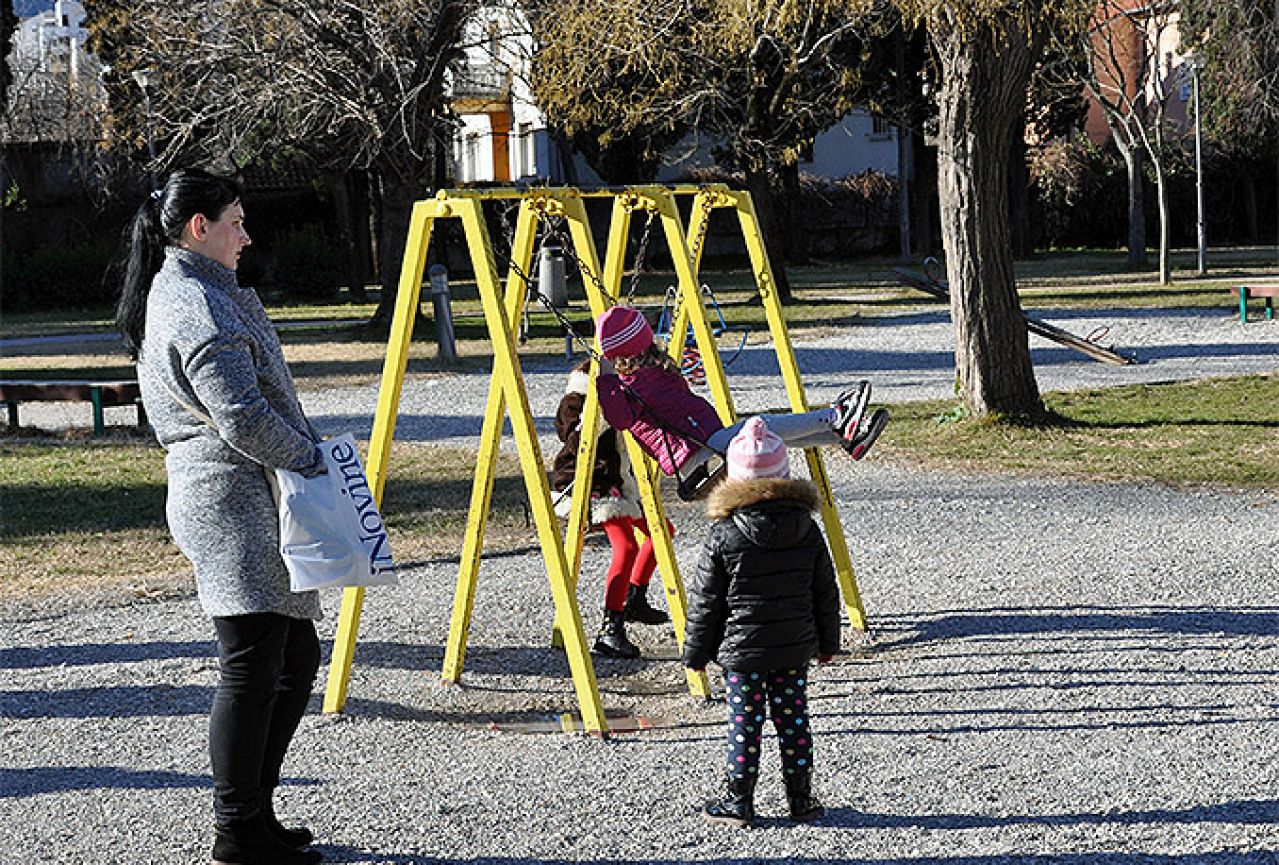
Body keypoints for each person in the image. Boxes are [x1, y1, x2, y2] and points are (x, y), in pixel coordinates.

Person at [117, 168, 325, 865]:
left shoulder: (197, 289)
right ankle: (237, 828)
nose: (247, 233)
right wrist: (311, 457)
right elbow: (240, 416)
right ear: (197, 228)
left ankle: (254, 814)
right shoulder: (195, 303)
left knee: (291, 655)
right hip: (230, 500)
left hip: (246, 496)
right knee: (253, 661)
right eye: (235, 220)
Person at [682, 416, 841, 827]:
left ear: (734, 481)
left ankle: (740, 800)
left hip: (742, 652)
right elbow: (825, 591)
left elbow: (706, 601)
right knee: (794, 718)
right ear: (784, 477)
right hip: (794, 646)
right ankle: (801, 798)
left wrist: (696, 653)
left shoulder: (724, 533)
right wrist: (828, 643)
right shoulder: (806, 528)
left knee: (744, 723)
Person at [592, 306, 888, 485]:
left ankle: (843, 436)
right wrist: (606, 376)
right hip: (694, 459)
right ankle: (836, 416)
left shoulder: (650, 373)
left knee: (770, 438)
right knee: (758, 425)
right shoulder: (627, 387)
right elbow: (619, 420)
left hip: (706, 445)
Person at [550, 360, 671, 659]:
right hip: (588, 483)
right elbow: (570, 437)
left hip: (618, 481)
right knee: (627, 547)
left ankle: (634, 597)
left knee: (662, 531)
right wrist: (601, 411)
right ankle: (610, 628)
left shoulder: (621, 395)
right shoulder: (575, 400)